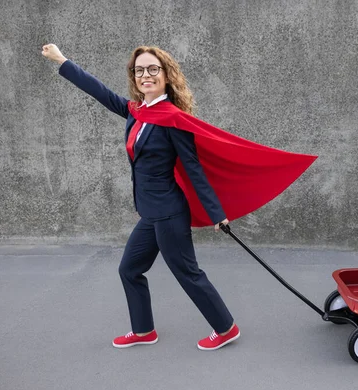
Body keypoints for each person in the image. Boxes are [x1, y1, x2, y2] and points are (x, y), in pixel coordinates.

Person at [41, 43, 240, 350]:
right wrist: (63, 61)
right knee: (130, 269)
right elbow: (102, 92)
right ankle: (144, 330)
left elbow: (193, 168)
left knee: (187, 273)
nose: (145, 75)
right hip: (151, 212)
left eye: (152, 69)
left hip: (170, 212)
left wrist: (217, 213)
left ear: (165, 75)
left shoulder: (173, 119)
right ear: (134, 77)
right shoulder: (138, 112)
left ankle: (225, 328)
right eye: (139, 70)